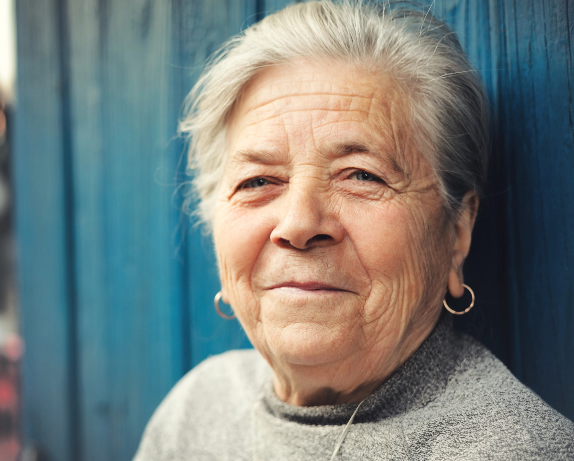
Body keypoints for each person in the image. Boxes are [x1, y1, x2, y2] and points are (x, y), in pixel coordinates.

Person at [134, 1, 574, 459]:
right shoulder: (198, 409)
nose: (299, 225)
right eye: (258, 181)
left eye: (362, 175)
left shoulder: (512, 449)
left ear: (457, 231)